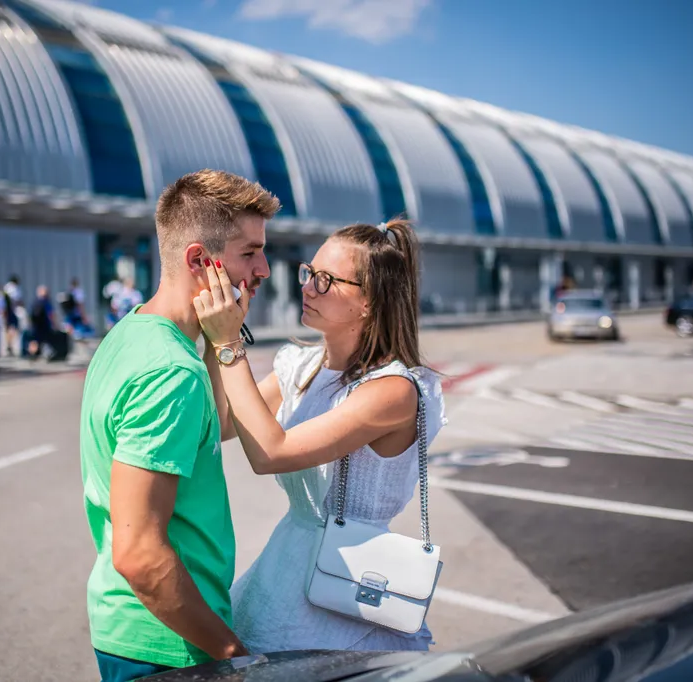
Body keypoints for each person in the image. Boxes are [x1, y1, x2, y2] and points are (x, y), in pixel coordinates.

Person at [192, 218, 446, 654]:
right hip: (286, 563)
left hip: (347, 587)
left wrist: (229, 342)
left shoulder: (393, 391)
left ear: (370, 302)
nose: (307, 287)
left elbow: (271, 452)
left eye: (326, 280)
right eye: (308, 272)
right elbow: (226, 422)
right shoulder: (300, 365)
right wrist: (218, 343)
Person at [79, 169, 279, 680]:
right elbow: (140, 552)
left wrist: (222, 338)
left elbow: (222, 420)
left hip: (136, 630)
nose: (264, 269)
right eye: (250, 252)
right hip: (169, 644)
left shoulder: (135, 335)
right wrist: (231, 652)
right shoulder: (171, 374)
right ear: (199, 260)